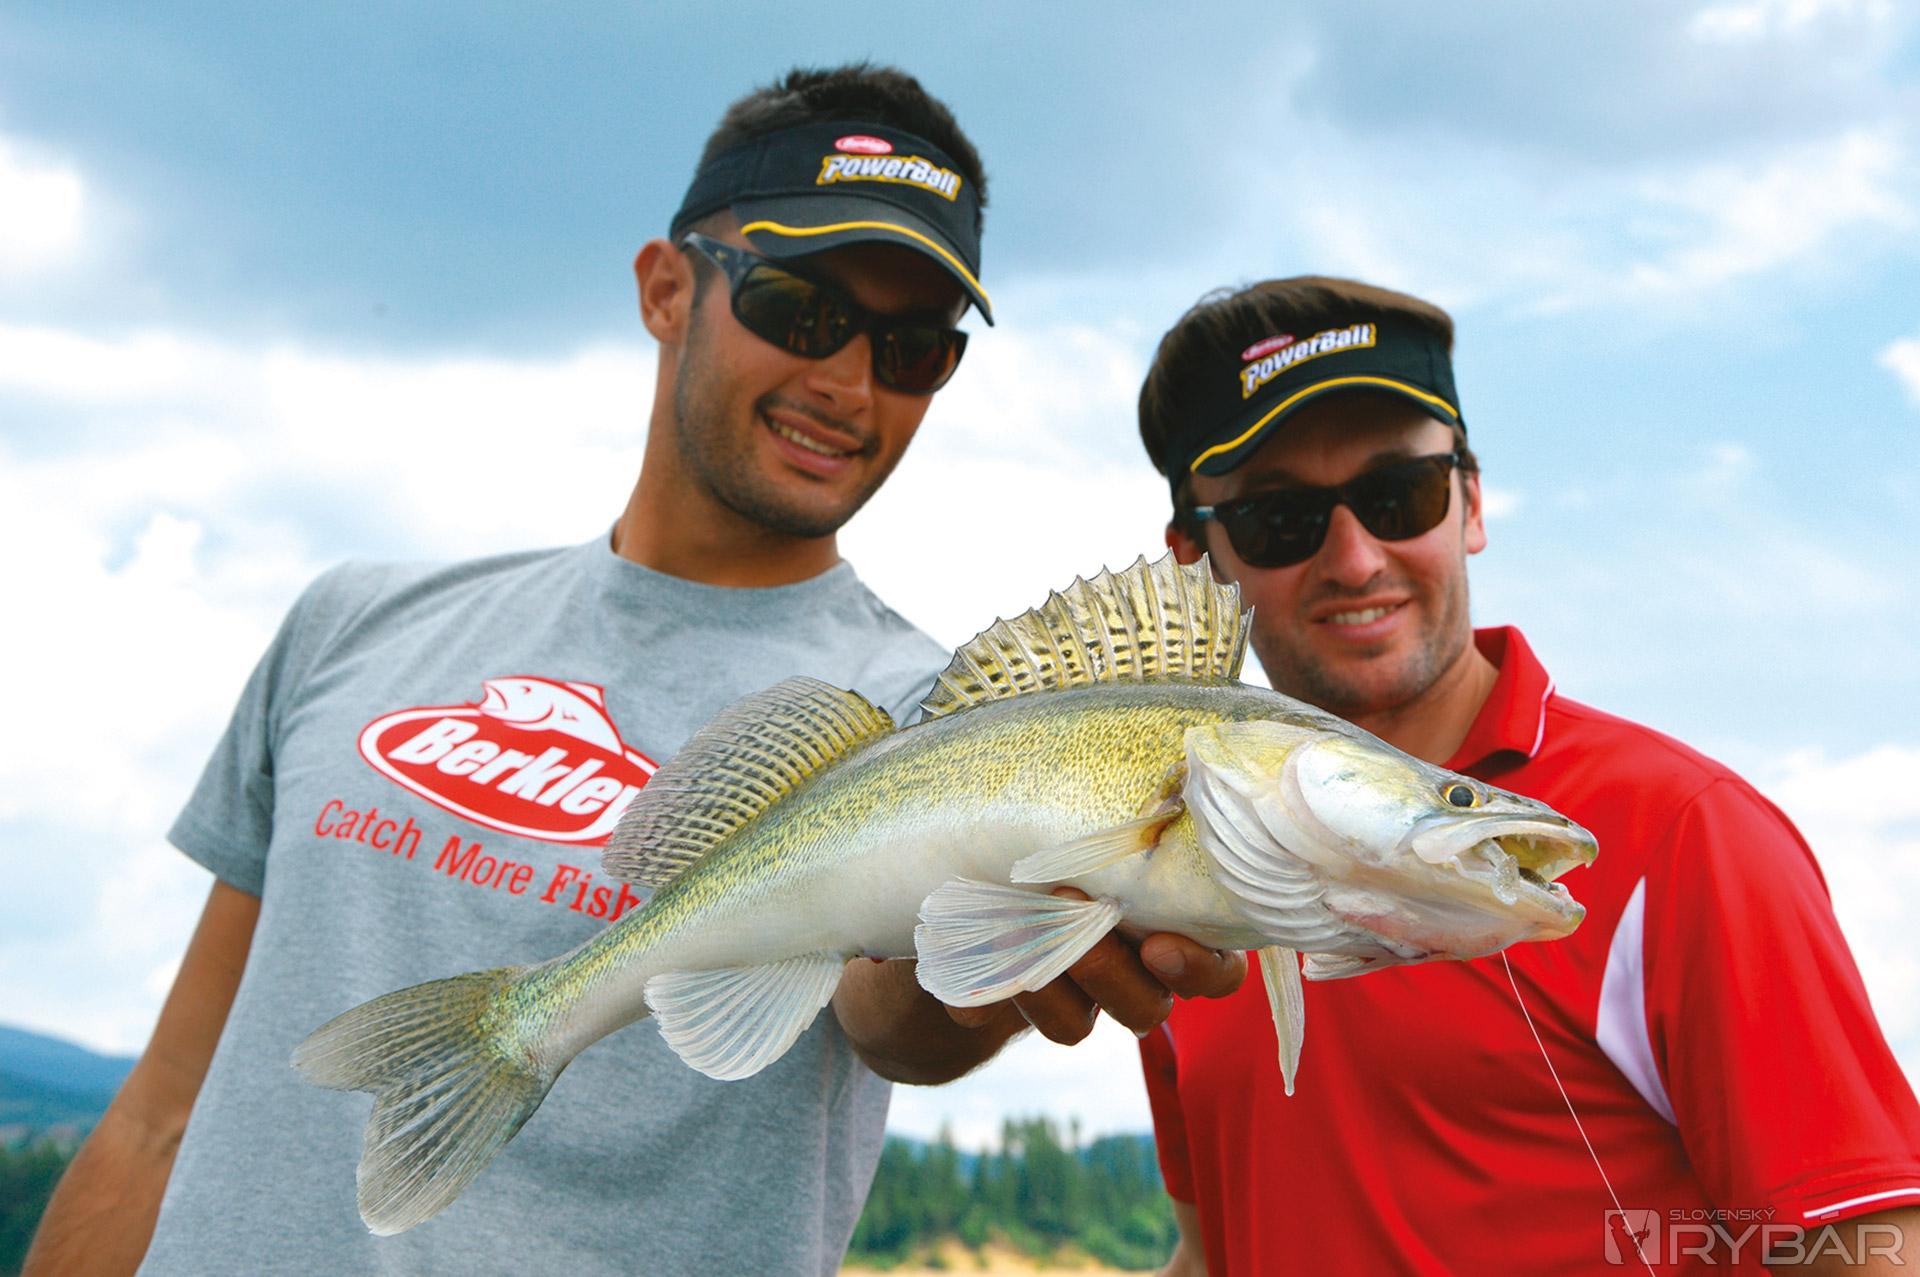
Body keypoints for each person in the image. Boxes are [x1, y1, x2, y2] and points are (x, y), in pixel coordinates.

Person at [25, 64, 1241, 1277]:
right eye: (798, 307)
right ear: (666, 288)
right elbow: (159, 1111)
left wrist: (993, 973)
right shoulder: (353, 622)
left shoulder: (938, 721)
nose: (847, 380)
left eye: (914, 347)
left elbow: (892, 1016)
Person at [1131, 277, 1920, 1275]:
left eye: (1399, 493)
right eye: (1280, 519)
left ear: (1470, 501)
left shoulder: (1685, 834)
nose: (1356, 558)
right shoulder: (1175, 863)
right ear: (1194, 557)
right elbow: (1215, 1250)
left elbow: (1872, 1250)